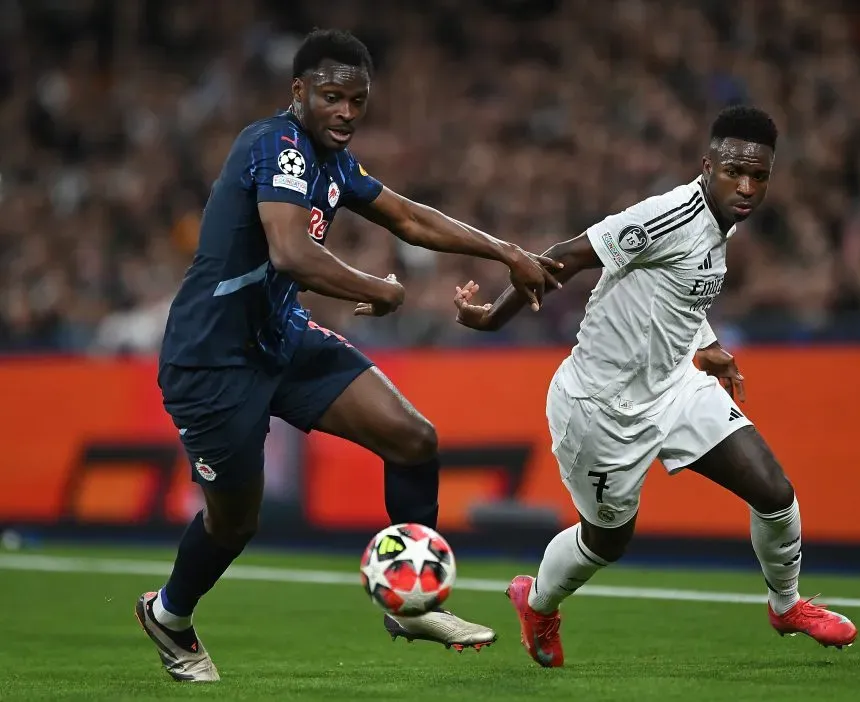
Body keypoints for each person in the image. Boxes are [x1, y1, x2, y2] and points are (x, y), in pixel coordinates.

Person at [135, 29, 561, 682]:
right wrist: (379, 289)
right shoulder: (274, 145)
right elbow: (289, 250)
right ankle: (169, 614)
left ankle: (412, 599)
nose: (347, 112)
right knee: (235, 523)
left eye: (358, 100)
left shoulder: (332, 161)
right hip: (212, 361)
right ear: (299, 92)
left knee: (413, 438)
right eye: (333, 97)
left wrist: (507, 252)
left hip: (281, 339)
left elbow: (409, 218)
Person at [452, 105, 858, 668]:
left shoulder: (725, 220)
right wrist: (492, 320)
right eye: (733, 172)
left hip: (672, 387)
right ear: (706, 166)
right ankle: (538, 603)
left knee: (774, 491)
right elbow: (564, 259)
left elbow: (676, 286)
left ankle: (786, 605)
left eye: (759, 176)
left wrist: (705, 341)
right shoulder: (669, 214)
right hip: (599, 407)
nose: (745, 187)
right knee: (607, 542)